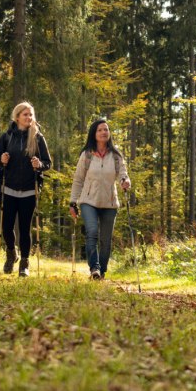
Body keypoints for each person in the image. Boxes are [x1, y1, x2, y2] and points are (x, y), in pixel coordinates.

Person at [0, 102, 52, 277]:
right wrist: (1, 159)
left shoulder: (38, 138)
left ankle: (24, 263)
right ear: (17, 117)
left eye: (31, 115)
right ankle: (11, 253)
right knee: (7, 227)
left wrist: (39, 164)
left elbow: (48, 163)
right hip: (8, 187)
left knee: (25, 229)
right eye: (25, 114)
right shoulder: (7, 137)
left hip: (29, 189)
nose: (29, 118)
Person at [69, 118, 131, 281]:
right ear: (94, 134)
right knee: (91, 233)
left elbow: (123, 175)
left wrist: (125, 181)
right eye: (100, 130)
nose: (104, 132)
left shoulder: (116, 156)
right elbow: (78, 180)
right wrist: (73, 202)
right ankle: (94, 269)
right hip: (88, 201)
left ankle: (101, 271)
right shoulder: (87, 155)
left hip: (110, 203)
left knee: (106, 240)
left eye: (106, 129)